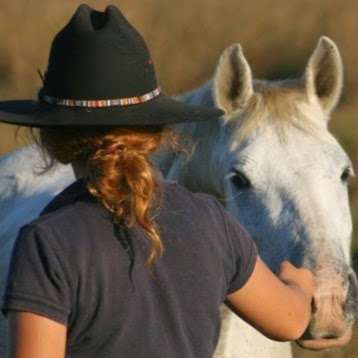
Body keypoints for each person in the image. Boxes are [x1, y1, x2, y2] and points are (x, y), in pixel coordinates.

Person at [0, 4, 314, 358]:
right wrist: (298, 285)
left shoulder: (47, 243)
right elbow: (289, 322)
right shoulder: (212, 222)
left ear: (54, 144)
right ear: (158, 132)